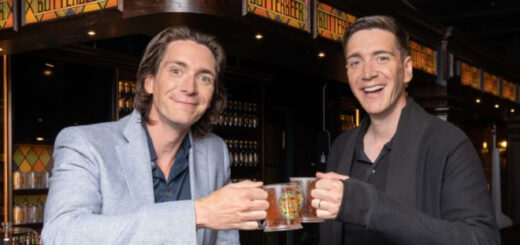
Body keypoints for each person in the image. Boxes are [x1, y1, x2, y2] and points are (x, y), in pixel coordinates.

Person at [42, 26, 268, 245]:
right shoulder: (84, 144)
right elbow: (61, 234)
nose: (190, 87)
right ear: (149, 81)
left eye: (204, 78)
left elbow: (224, 239)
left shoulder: (215, 150)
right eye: (176, 71)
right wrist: (197, 213)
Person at [311, 15, 500, 245]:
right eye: (355, 62)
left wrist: (371, 207)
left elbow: (483, 239)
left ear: (407, 69)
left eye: (381, 58)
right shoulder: (341, 147)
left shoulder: (448, 144)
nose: (367, 73)